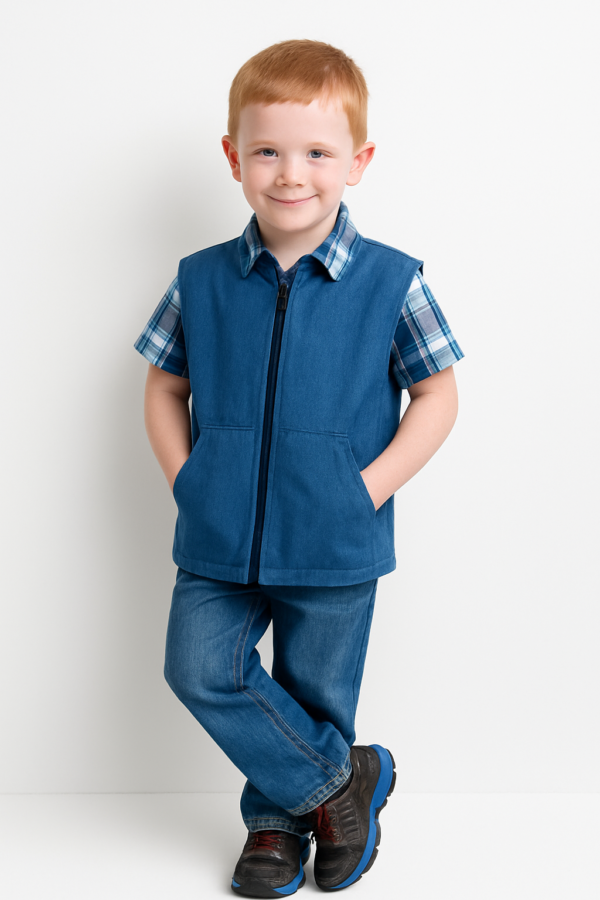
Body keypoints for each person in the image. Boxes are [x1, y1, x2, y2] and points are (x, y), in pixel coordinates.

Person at [133, 39, 464, 897]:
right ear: (233, 157)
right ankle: (339, 786)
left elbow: (438, 395)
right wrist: (187, 478)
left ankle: (276, 831)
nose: (290, 173)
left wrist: (369, 489)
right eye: (268, 151)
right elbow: (165, 386)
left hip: (336, 535)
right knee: (201, 667)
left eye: (317, 152)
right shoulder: (200, 279)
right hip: (218, 531)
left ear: (357, 161)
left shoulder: (393, 281)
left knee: (314, 690)